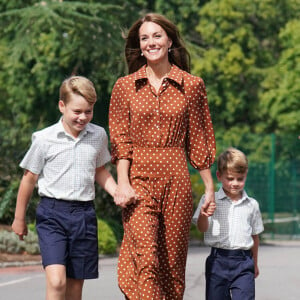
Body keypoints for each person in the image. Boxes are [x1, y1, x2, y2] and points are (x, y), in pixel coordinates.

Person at [109, 13, 216, 300]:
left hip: (177, 182)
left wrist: (208, 188)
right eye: (144, 38)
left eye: (157, 36)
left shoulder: (192, 85)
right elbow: (121, 142)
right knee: (146, 259)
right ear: (139, 45)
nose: (151, 42)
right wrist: (122, 182)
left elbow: (199, 139)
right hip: (138, 181)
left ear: (169, 40)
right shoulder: (125, 86)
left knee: (170, 266)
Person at [12, 76, 117, 300]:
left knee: (75, 287)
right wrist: (19, 218)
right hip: (52, 215)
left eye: (88, 111)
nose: (82, 117)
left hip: (84, 216)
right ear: (62, 106)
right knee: (57, 281)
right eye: (76, 111)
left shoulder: (98, 135)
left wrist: (117, 191)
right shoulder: (43, 139)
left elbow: (99, 170)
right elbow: (29, 179)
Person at [193, 147, 264, 300]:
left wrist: (255, 264)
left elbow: (255, 237)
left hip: (244, 263)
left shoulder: (252, 205)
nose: (235, 183)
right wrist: (204, 215)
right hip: (217, 261)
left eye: (240, 178)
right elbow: (201, 228)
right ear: (219, 176)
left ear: (245, 176)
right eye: (230, 178)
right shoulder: (209, 200)